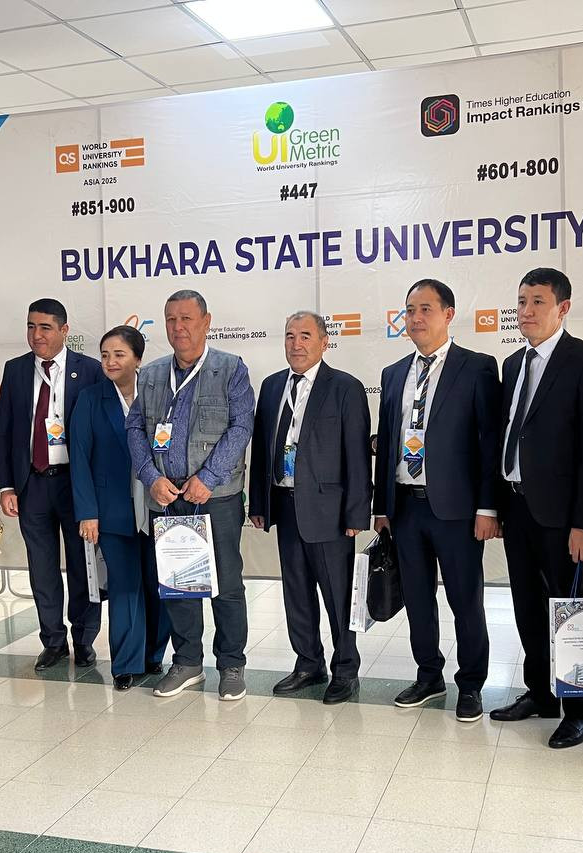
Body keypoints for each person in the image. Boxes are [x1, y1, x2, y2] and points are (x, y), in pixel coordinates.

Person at [488, 268, 583, 749]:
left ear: (563, 308)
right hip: (517, 507)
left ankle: (580, 709)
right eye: (521, 301)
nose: (526, 311)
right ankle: (540, 693)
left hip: (564, 517)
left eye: (538, 301)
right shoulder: (513, 363)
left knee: (572, 610)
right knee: (527, 608)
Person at [372, 279, 501, 722]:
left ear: (448, 314)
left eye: (425, 309)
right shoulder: (393, 374)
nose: (415, 318)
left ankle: (472, 684)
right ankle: (428, 675)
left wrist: (488, 507)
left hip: (457, 511)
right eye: (410, 310)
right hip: (405, 507)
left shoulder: (477, 367)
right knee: (417, 598)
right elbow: (388, 440)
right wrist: (382, 507)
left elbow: (489, 442)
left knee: (466, 600)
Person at [126, 289, 255, 701]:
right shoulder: (151, 374)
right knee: (178, 584)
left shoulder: (230, 369)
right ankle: (187, 663)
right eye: (171, 319)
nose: (178, 327)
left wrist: (209, 477)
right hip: (166, 497)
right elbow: (134, 428)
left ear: (206, 322)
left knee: (226, 584)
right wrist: (150, 477)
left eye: (186, 318)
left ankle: (231, 664)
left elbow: (241, 426)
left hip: (215, 497)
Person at [248, 311, 371, 705]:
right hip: (284, 505)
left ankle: (345, 669)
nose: (296, 344)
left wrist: (357, 513)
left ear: (324, 342)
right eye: (290, 336)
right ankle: (308, 663)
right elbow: (261, 448)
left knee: (338, 596)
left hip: (330, 513)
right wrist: (259, 501)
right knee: (296, 591)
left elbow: (357, 455)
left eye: (305, 335)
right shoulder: (272, 386)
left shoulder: (345, 387)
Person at [0, 298, 104, 672]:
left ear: (64, 330)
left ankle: (84, 640)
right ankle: (53, 641)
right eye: (31, 326)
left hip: (76, 485)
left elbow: (99, 434)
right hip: (33, 484)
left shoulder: (89, 370)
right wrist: (7, 486)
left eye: (45, 327)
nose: (36, 335)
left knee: (82, 565)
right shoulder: (15, 370)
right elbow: (5, 432)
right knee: (41, 569)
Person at [71, 325, 172, 690]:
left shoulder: (161, 394)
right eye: (104, 355)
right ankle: (126, 664)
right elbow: (80, 457)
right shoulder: (90, 398)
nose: (110, 362)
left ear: (138, 359)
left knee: (160, 585)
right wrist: (88, 512)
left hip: (159, 506)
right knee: (125, 587)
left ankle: (153, 655)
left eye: (119, 354)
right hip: (111, 510)